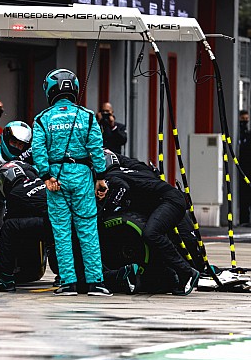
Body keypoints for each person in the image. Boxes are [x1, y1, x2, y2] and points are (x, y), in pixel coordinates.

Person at [32, 68, 111, 296]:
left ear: (49, 89)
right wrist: (101, 178)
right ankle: (96, 282)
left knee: (62, 232)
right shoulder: (86, 116)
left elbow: (38, 150)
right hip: (83, 177)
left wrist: (46, 176)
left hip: (56, 178)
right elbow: (96, 149)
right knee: (87, 229)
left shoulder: (42, 119)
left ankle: (68, 283)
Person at [100, 149, 201, 295]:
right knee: (157, 234)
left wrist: (104, 211)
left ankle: (187, 272)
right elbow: (145, 170)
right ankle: (172, 276)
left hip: (169, 201)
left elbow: (123, 188)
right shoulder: (134, 169)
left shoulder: (111, 176)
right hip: (171, 199)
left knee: (151, 233)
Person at [0, 155, 53, 292]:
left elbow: (9, 226)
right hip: (62, 217)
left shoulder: (15, 194)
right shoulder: (30, 172)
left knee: (8, 228)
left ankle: (6, 280)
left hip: (49, 222)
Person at [238, 110, 251, 226]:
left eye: (246, 119)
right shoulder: (237, 134)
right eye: (243, 119)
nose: (245, 121)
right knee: (242, 196)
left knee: (247, 194)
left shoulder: (248, 135)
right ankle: (243, 219)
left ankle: (246, 219)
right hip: (239, 168)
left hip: (247, 169)